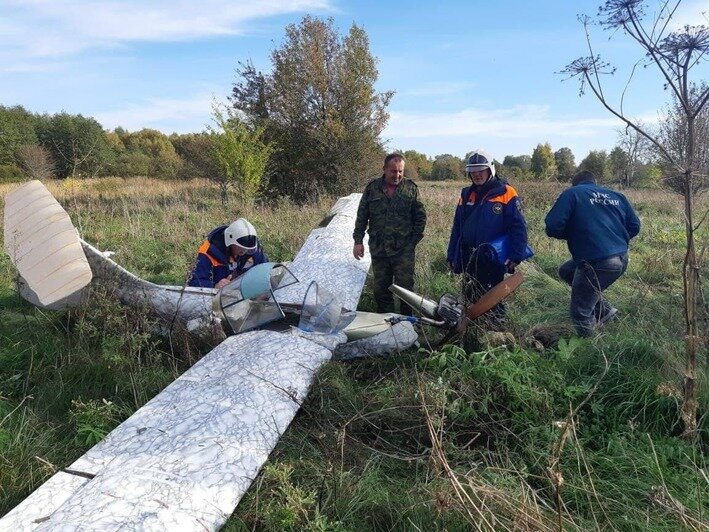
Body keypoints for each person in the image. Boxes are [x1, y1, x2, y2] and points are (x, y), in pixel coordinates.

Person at [545, 170, 641, 336]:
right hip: (621, 259)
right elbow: (635, 226)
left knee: (580, 312)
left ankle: (592, 350)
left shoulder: (572, 193)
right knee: (567, 271)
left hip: (597, 263)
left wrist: (573, 234)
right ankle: (605, 311)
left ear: (575, 184)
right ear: (594, 182)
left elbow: (553, 226)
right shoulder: (617, 196)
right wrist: (616, 240)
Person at [446, 149, 529, 328]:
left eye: (480, 171)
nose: (476, 175)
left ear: (490, 170)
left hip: (492, 259)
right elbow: (457, 227)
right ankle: (473, 331)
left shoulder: (506, 192)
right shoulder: (466, 194)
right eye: (473, 172)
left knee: (492, 298)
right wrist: (452, 255)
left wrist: (516, 255)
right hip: (469, 256)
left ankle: (497, 332)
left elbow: (519, 227)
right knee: (470, 295)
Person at [352, 153, 427, 315]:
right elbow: (362, 216)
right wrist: (358, 241)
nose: (397, 175)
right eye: (393, 171)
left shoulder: (411, 189)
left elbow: (420, 217)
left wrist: (412, 242)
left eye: (400, 171)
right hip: (379, 249)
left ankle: (407, 325)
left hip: (403, 251)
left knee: (406, 291)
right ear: (384, 169)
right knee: (381, 290)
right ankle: (385, 324)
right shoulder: (372, 188)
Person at [188, 218, 268, 289]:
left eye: (247, 249)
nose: (244, 251)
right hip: (217, 297)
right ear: (230, 241)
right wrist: (214, 286)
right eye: (241, 247)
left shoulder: (252, 248)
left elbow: (265, 270)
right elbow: (194, 282)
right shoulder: (208, 252)